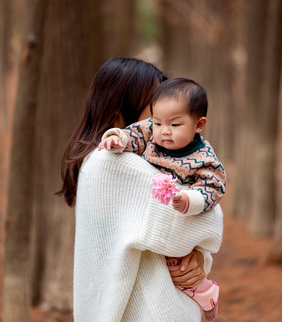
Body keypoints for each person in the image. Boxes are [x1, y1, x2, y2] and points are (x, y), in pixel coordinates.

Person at [59, 58, 223, 322]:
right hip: (147, 309)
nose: (162, 122)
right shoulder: (113, 163)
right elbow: (209, 222)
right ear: (119, 111)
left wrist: (196, 256)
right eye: (154, 110)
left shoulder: (99, 160)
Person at [99, 77, 226, 321]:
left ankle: (203, 291)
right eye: (158, 122)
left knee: (179, 264)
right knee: (168, 264)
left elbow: (214, 186)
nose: (164, 131)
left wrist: (191, 200)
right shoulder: (151, 130)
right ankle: (203, 291)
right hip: (153, 209)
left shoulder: (203, 157)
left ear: (199, 124)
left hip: (180, 207)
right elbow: (133, 135)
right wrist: (117, 139)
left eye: (175, 125)